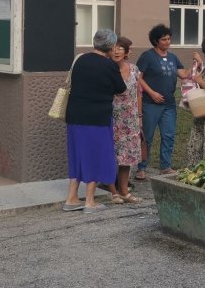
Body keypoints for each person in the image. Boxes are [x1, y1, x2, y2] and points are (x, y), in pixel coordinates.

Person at [62, 29, 127, 213]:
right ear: (111, 46)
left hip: (74, 116)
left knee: (77, 155)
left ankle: (71, 198)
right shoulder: (109, 65)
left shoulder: (80, 60)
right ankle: (89, 201)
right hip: (97, 118)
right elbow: (121, 88)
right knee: (95, 156)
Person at [135, 24, 194, 179]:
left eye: (169, 39)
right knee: (147, 137)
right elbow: (138, 77)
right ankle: (141, 167)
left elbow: (184, 74)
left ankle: (165, 167)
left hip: (169, 104)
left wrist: (196, 63)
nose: (167, 42)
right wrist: (151, 92)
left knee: (168, 136)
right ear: (156, 41)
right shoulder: (147, 56)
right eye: (164, 39)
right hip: (150, 104)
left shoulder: (173, 57)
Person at [110, 36, 142, 204]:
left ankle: (124, 191)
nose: (116, 51)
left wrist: (140, 116)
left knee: (127, 157)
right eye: (114, 48)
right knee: (110, 154)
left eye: (120, 48)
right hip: (111, 118)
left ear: (127, 52)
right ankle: (113, 191)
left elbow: (138, 93)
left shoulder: (134, 69)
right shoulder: (107, 68)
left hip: (130, 119)